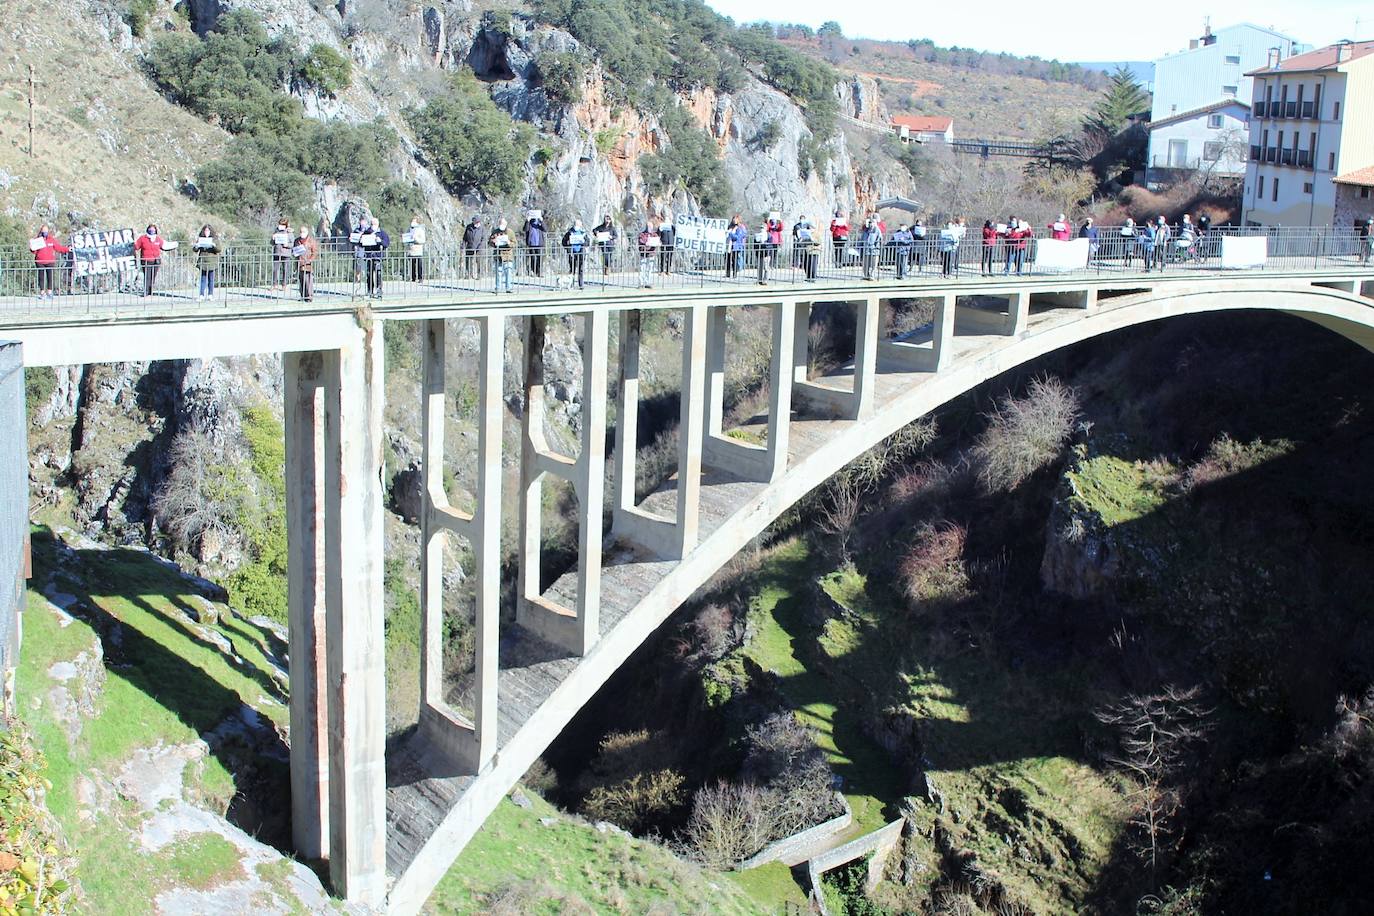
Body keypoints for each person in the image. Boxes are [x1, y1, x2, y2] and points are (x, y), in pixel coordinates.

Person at [29, 224, 70, 301]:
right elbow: (34, 251)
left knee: (50, 277)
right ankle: (42, 293)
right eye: (43, 231)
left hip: (50, 261)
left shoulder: (51, 240)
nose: (45, 232)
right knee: (41, 277)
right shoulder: (38, 240)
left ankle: (50, 292)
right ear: (41, 231)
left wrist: (67, 249)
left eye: (46, 231)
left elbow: (58, 248)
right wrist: (31, 246)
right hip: (40, 261)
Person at [134, 224, 167, 297]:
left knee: (153, 276)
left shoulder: (158, 239)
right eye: (150, 229)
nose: (152, 231)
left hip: (156, 260)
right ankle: (145, 291)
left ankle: (150, 291)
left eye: (153, 229)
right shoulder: (142, 238)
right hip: (146, 260)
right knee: (147, 276)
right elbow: (136, 247)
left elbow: (163, 246)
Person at [361, 220, 390, 298]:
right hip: (369, 256)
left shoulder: (382, 233)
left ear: (377, 224)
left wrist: (380, 241)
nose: (373, 225)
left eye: (374, 224)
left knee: (378, 274)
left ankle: (379, 290)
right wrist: (359, 241)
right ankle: (369, 291)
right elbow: (361, 243)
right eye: (372, 224)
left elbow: (386, 244)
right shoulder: (366, 232)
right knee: (369, 274)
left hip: (378, 256)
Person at [193, 224, 219, 301]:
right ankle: (201, 295)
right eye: (205, 230)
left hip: (212, 262)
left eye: (208, 230)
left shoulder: (214, 239)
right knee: (203, 279)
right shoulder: (200, 239)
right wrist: (196, 246)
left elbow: (219, 249)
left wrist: (214, 246)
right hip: (203, 262)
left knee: (211, 279)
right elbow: (195, 249)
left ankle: (210, 294)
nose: (206, 232)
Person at [490, 219, 516, 293]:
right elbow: (490, 242)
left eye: (503, 224)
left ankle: (509, 288)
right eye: (500, 224)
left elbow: (514, 243)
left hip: (507, 255)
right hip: (498, 255)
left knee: (508, 271)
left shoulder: (510, 232)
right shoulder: (495, 232)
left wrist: (509, 243)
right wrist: (493, 242)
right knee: (498, 272)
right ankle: (497, 288)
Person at [757, 213, 783, 285]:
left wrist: (780, 221)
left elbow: (780, 228)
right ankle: (760, 279)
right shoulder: (763, 232)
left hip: (769, 249)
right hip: (762, 251)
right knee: (761, 266)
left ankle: (765, 279)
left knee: (766, 265)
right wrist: (768, 222)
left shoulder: (772, 231)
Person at [562, 220, 589, 289]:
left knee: (581, 269)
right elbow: (564, 241)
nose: (577, 226)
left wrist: (584, 242)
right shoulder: (569, 232)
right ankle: (571, 284)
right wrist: (568, 247)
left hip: (581, 252)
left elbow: (588, 242)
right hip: (572, 253)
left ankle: (581, 284)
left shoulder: (583, 233)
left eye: (578, 225)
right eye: (576, 224)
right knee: (572, 269)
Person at [295, 226, 319, 301]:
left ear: (307, 232)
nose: (302, 233)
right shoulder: (297, 241)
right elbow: (294, 250)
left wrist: (310, 260)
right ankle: (303, 296)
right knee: (301, 280)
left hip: (308, 264)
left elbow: (314, 252)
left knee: (308, 280)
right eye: (301, 232)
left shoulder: (311, 241)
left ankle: (309, 296)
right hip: (299, 263)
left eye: (303, 232)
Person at [271, 218, 293, 293]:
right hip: (277, 253)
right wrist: (273, 238)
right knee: (275, 269)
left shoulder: (289, 233)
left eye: (283, 225)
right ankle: (274, 285)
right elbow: (272, 243)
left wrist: (287, 245)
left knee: (285, 270)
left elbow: (293, 244)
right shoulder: (276, 231)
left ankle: (284, 285)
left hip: (286, 253)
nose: (281, 226)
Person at [796, 215, 819, 281]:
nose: (810, 229)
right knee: (806, 264)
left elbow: (819, 241)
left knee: (813, 265)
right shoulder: (805, 232)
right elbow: (802, 243)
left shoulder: (816, 233)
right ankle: (808, 277)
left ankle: (813, 277)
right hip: (806, 251)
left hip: (813, 251)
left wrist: (812, 240)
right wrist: (801, 239)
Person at [523, 212, 546, 277]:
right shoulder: (529, 223)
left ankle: (539, 272)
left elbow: (545, 229)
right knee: (533, 258)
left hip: (539, 243)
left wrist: (541, 220)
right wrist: (527, 220)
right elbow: (525, 229)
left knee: (540, 258)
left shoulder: (539, 222)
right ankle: (534, 271)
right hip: (531, 243)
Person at [860, 216, 883, 281]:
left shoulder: (877, 230)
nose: (871, 224)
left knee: (874, 264)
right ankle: (866, 275)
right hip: (866, 249)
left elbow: (880, 239)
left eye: (872, 223)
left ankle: (872, 276)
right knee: (865, 263)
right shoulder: (866, 230)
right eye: (870, 223)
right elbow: (862, 239)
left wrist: (876, 246)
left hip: (874, 250)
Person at [404, 215, 426, 282]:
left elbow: (423, 240)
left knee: (419, 264)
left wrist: (415, 238)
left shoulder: (420, 230)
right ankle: (413, 277)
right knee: (412, 264)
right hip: (411, 250)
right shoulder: (409, 229)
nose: (412, 222)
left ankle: (420, 278)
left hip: (418, 250)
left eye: (414, 221)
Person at [637, 223, 658, 288]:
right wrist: (646, 243)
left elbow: (657, 241)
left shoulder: (654, 234)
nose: (649, 228)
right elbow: (640, 242)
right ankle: (641, 283)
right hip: (644, 254)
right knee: (642, 268)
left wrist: (658, 243)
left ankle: (647, 282)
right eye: (648, 226)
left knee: (649, 269)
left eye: (651, 227)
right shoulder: (642, 234)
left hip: (651, 254)